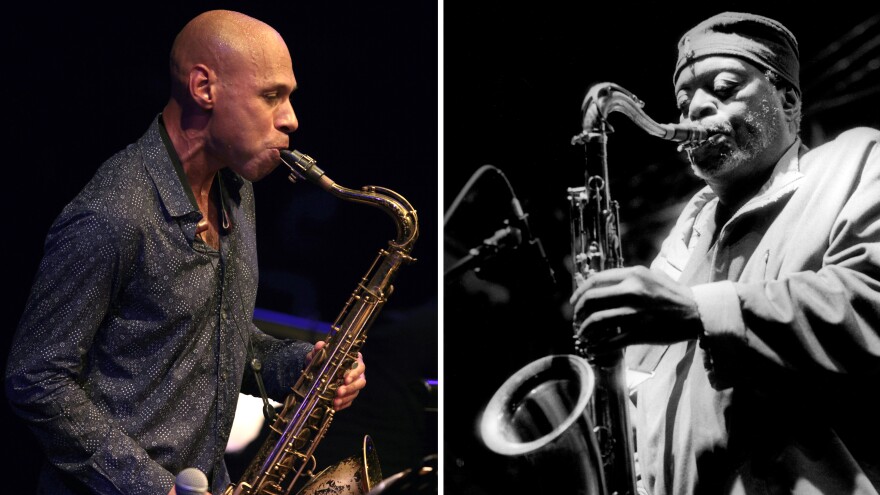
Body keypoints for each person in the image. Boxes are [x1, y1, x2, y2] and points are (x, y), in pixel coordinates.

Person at [5, 10, 366, 495]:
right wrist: (155, 487)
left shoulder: (236, 191)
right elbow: (37, 378)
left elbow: (210, 339)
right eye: (271, 96)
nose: (291, 119)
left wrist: (303, 369)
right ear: (204, 88)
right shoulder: (112, 213)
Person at [570, 11, 880, 495]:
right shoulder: (681, 242)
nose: (695, 109)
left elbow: (870, 307)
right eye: (684, 98)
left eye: (725, 86)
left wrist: (700, 310)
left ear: (789, 100)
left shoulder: (856, 161)